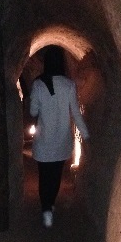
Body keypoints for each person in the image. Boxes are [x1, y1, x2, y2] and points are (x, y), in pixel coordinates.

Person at [29, 45, 90, 228]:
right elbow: (76, 113)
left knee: (44, 176)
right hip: (61, 141)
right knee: (55, 176)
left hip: (43, 141)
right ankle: (50, 205)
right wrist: (86, 134)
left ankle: (46, 208)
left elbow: (33, 111)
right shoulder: (69, 85)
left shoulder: (38, 84)